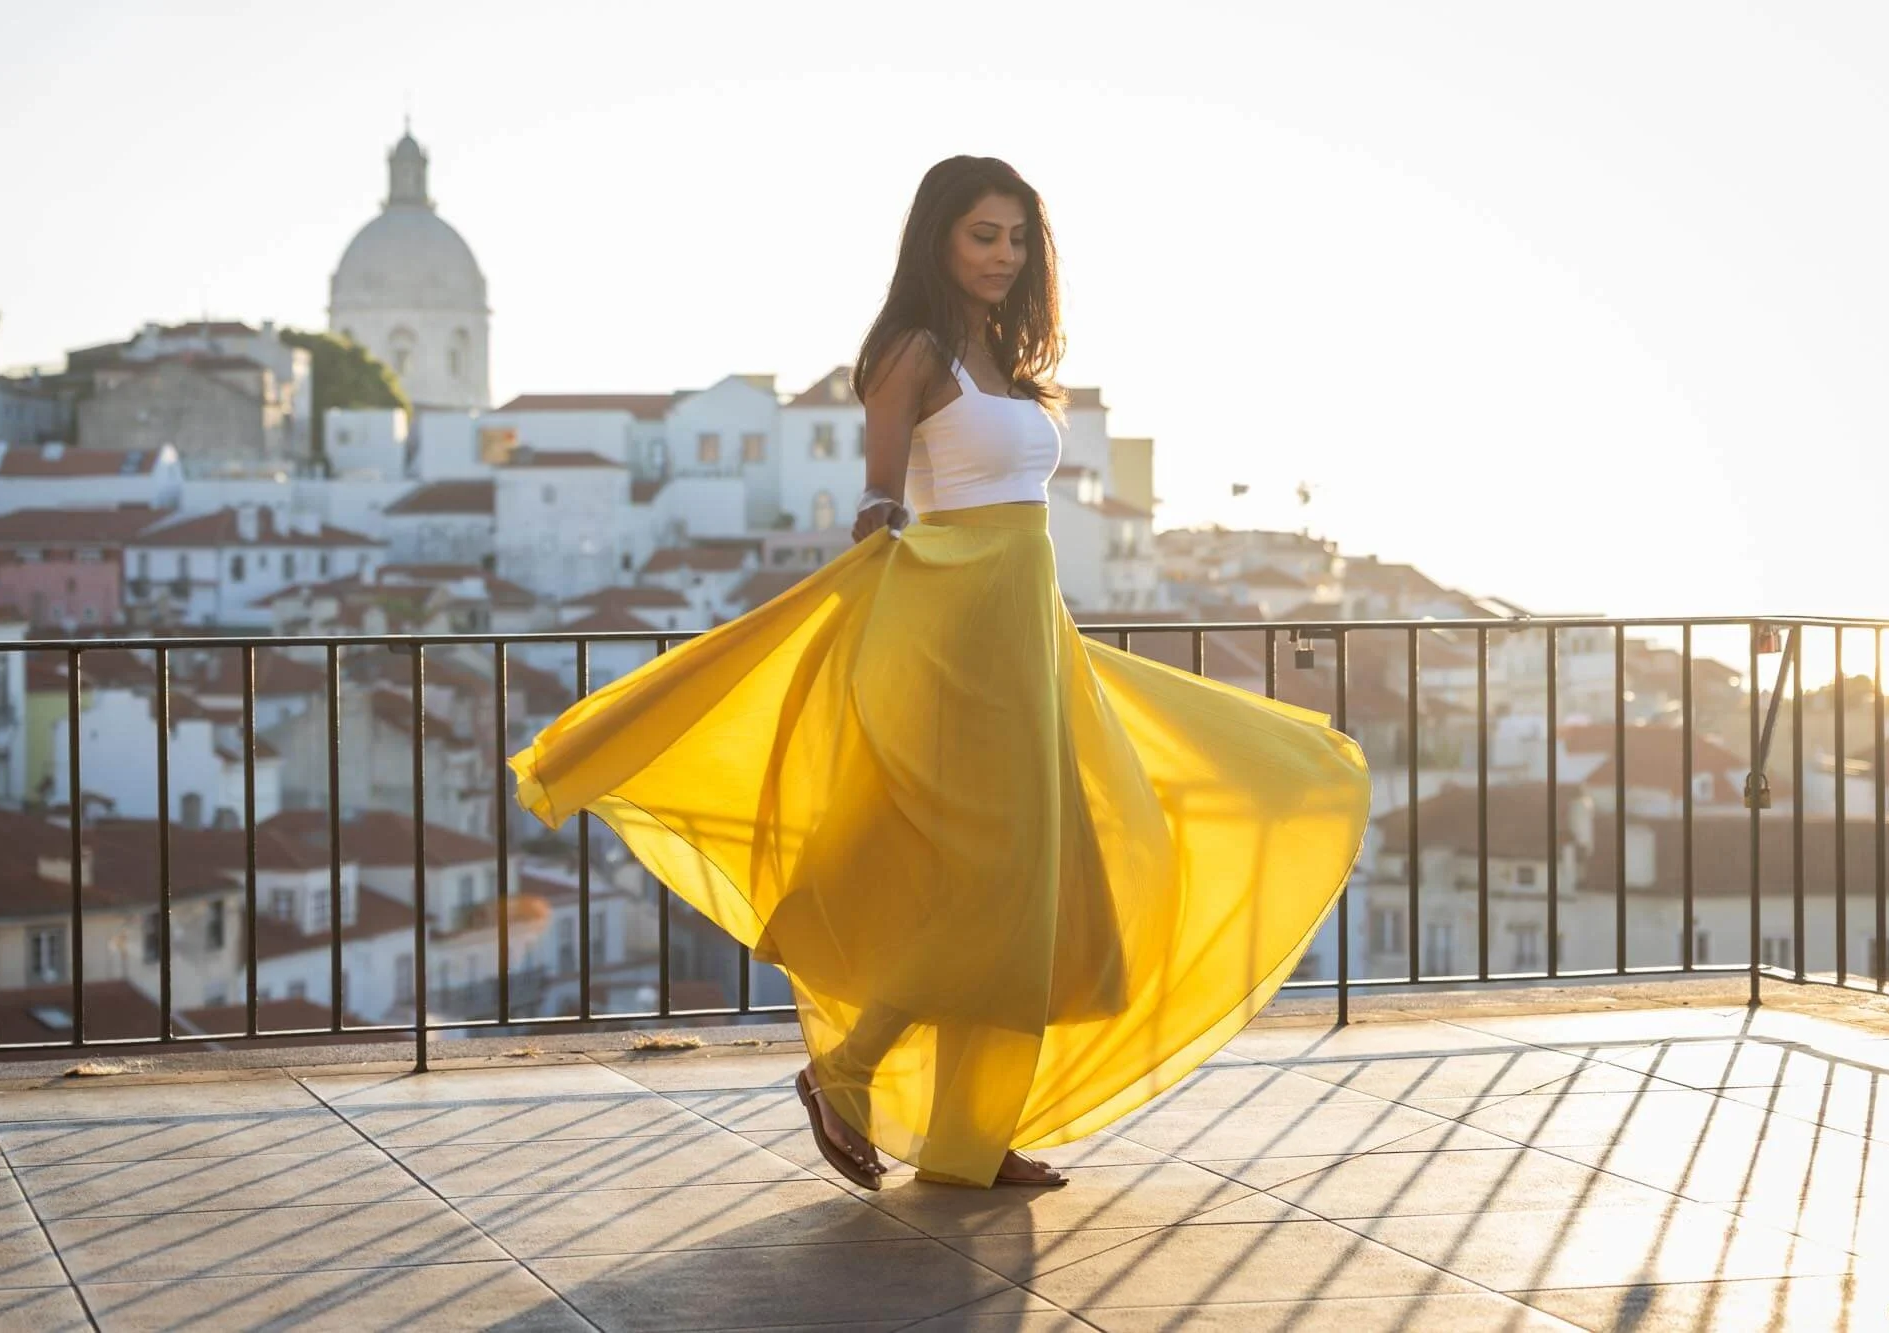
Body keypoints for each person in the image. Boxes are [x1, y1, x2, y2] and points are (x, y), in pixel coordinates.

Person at [510, 154, 1371, 1191]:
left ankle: (968, 1137)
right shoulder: (911, 352)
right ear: (938, 239)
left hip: (1027, 631)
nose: (1002, 255)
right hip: (954, 638)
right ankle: (846, 1072)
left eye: (1016, 238)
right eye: (982, 236)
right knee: (981, 883)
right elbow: (880, 495)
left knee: (1037, 885)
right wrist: (872, 556)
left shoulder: (1004, 352)